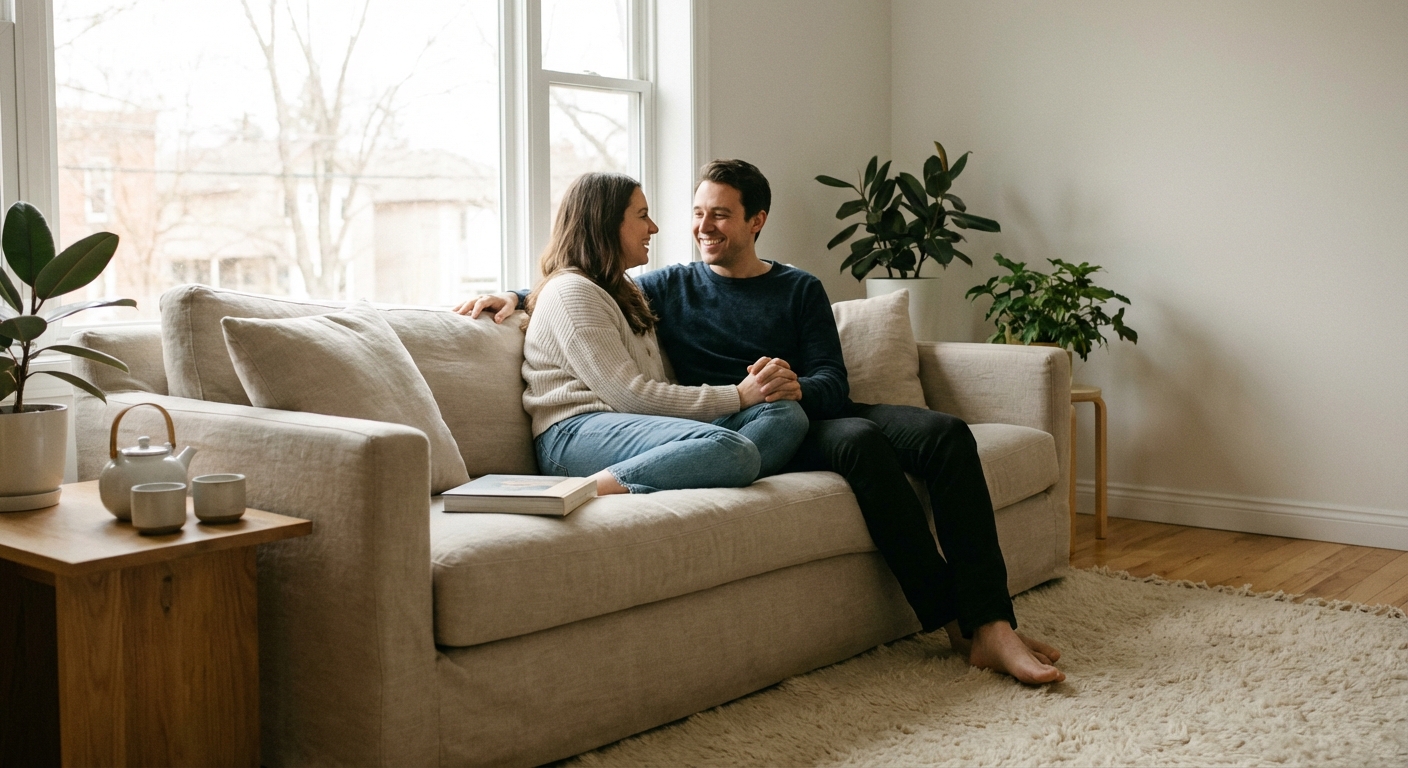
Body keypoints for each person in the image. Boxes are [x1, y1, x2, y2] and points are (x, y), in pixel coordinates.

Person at [455, 161, 1065, 684]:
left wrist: (794, 385)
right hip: (748, 422)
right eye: (697, 212)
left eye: (719, 215)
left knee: (945, 433)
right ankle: (965, 623)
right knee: (856, 443)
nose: (700, 227)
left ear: (756, 221)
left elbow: (833, 382)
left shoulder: (799, 289)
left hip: (799, 410)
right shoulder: (664, 286)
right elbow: (581, 288)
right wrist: (516, 295)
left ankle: (990, 620)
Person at [500, 171, 809, 497]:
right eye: (642, 215)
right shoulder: (571, 292)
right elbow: (631, 396)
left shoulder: (622, 290)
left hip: (634, 426)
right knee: (734, 449)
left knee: (787, 415)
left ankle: (712, 470)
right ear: (606, 222)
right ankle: (578, 491)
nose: (654, 227)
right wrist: (739, 395)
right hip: (574, 435)